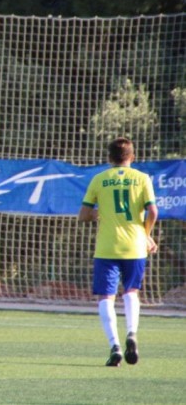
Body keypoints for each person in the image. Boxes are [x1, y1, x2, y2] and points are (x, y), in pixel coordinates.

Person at [78, 137, 158, 367]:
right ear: (133, 157)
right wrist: (145, 234)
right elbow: (152, 210)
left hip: (107, 247)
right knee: (131, 291)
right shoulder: (142, 178)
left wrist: (97, 213)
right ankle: (132, 333)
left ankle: (115, 346)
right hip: (134, 246)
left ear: (109, 158)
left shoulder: (99, 179)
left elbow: (83, 215)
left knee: (106, 297)